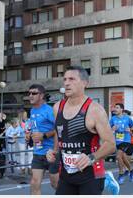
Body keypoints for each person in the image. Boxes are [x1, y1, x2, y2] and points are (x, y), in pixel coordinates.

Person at [46, 66, 116, 195]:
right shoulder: (57, 107)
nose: (66, 83)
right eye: (65, 79)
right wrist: (54, 151)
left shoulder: (95, 110)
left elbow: (110, 144)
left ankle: (106, 180)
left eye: (72, 79)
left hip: (91, 175)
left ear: (85, 83)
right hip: (67, 174)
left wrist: (91, 157)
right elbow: (59, 132)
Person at [26, 84, 59, 195]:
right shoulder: (32, 111)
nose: (30, 95)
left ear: (41, 95)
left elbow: (59, 128)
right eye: (29, 93)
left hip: (51, 153)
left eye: (34, 93)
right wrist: (30, 135)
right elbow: (36, 128)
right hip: (37, 152)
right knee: (34, 183)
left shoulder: (49, 110)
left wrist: (44, 136)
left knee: (56, 184)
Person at [110, 103, 133, 185]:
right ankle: (131, 170)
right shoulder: (113, 119)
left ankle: (121, 174)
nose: (115, 109)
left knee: (118, 156)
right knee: (123, 157)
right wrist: (112, 129)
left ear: (121, 109)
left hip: (126, 140)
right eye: (115, 107)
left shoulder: (127, 118)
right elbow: (108, 128)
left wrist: (129, 129)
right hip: (118, 140)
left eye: (117, 108)